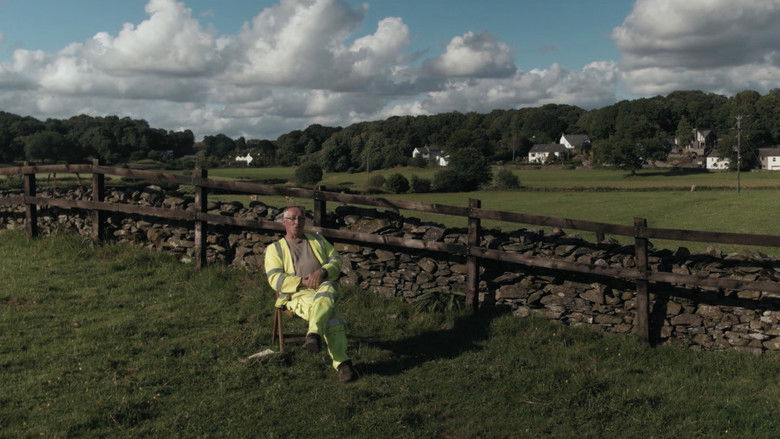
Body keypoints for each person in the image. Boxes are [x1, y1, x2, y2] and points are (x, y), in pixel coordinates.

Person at [263, 205, 355, 382]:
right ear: (284, 222)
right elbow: (275, 279)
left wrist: (323, 272)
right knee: (332, 313)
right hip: (297, 294)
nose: (297, 222)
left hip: (324, 285)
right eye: (292, 219)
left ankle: (313, 334)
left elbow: (336, 259)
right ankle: (343, 364)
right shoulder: (275, 249)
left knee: (327, 290)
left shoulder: (317, 240)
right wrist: (301, 282)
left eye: (301, 218)